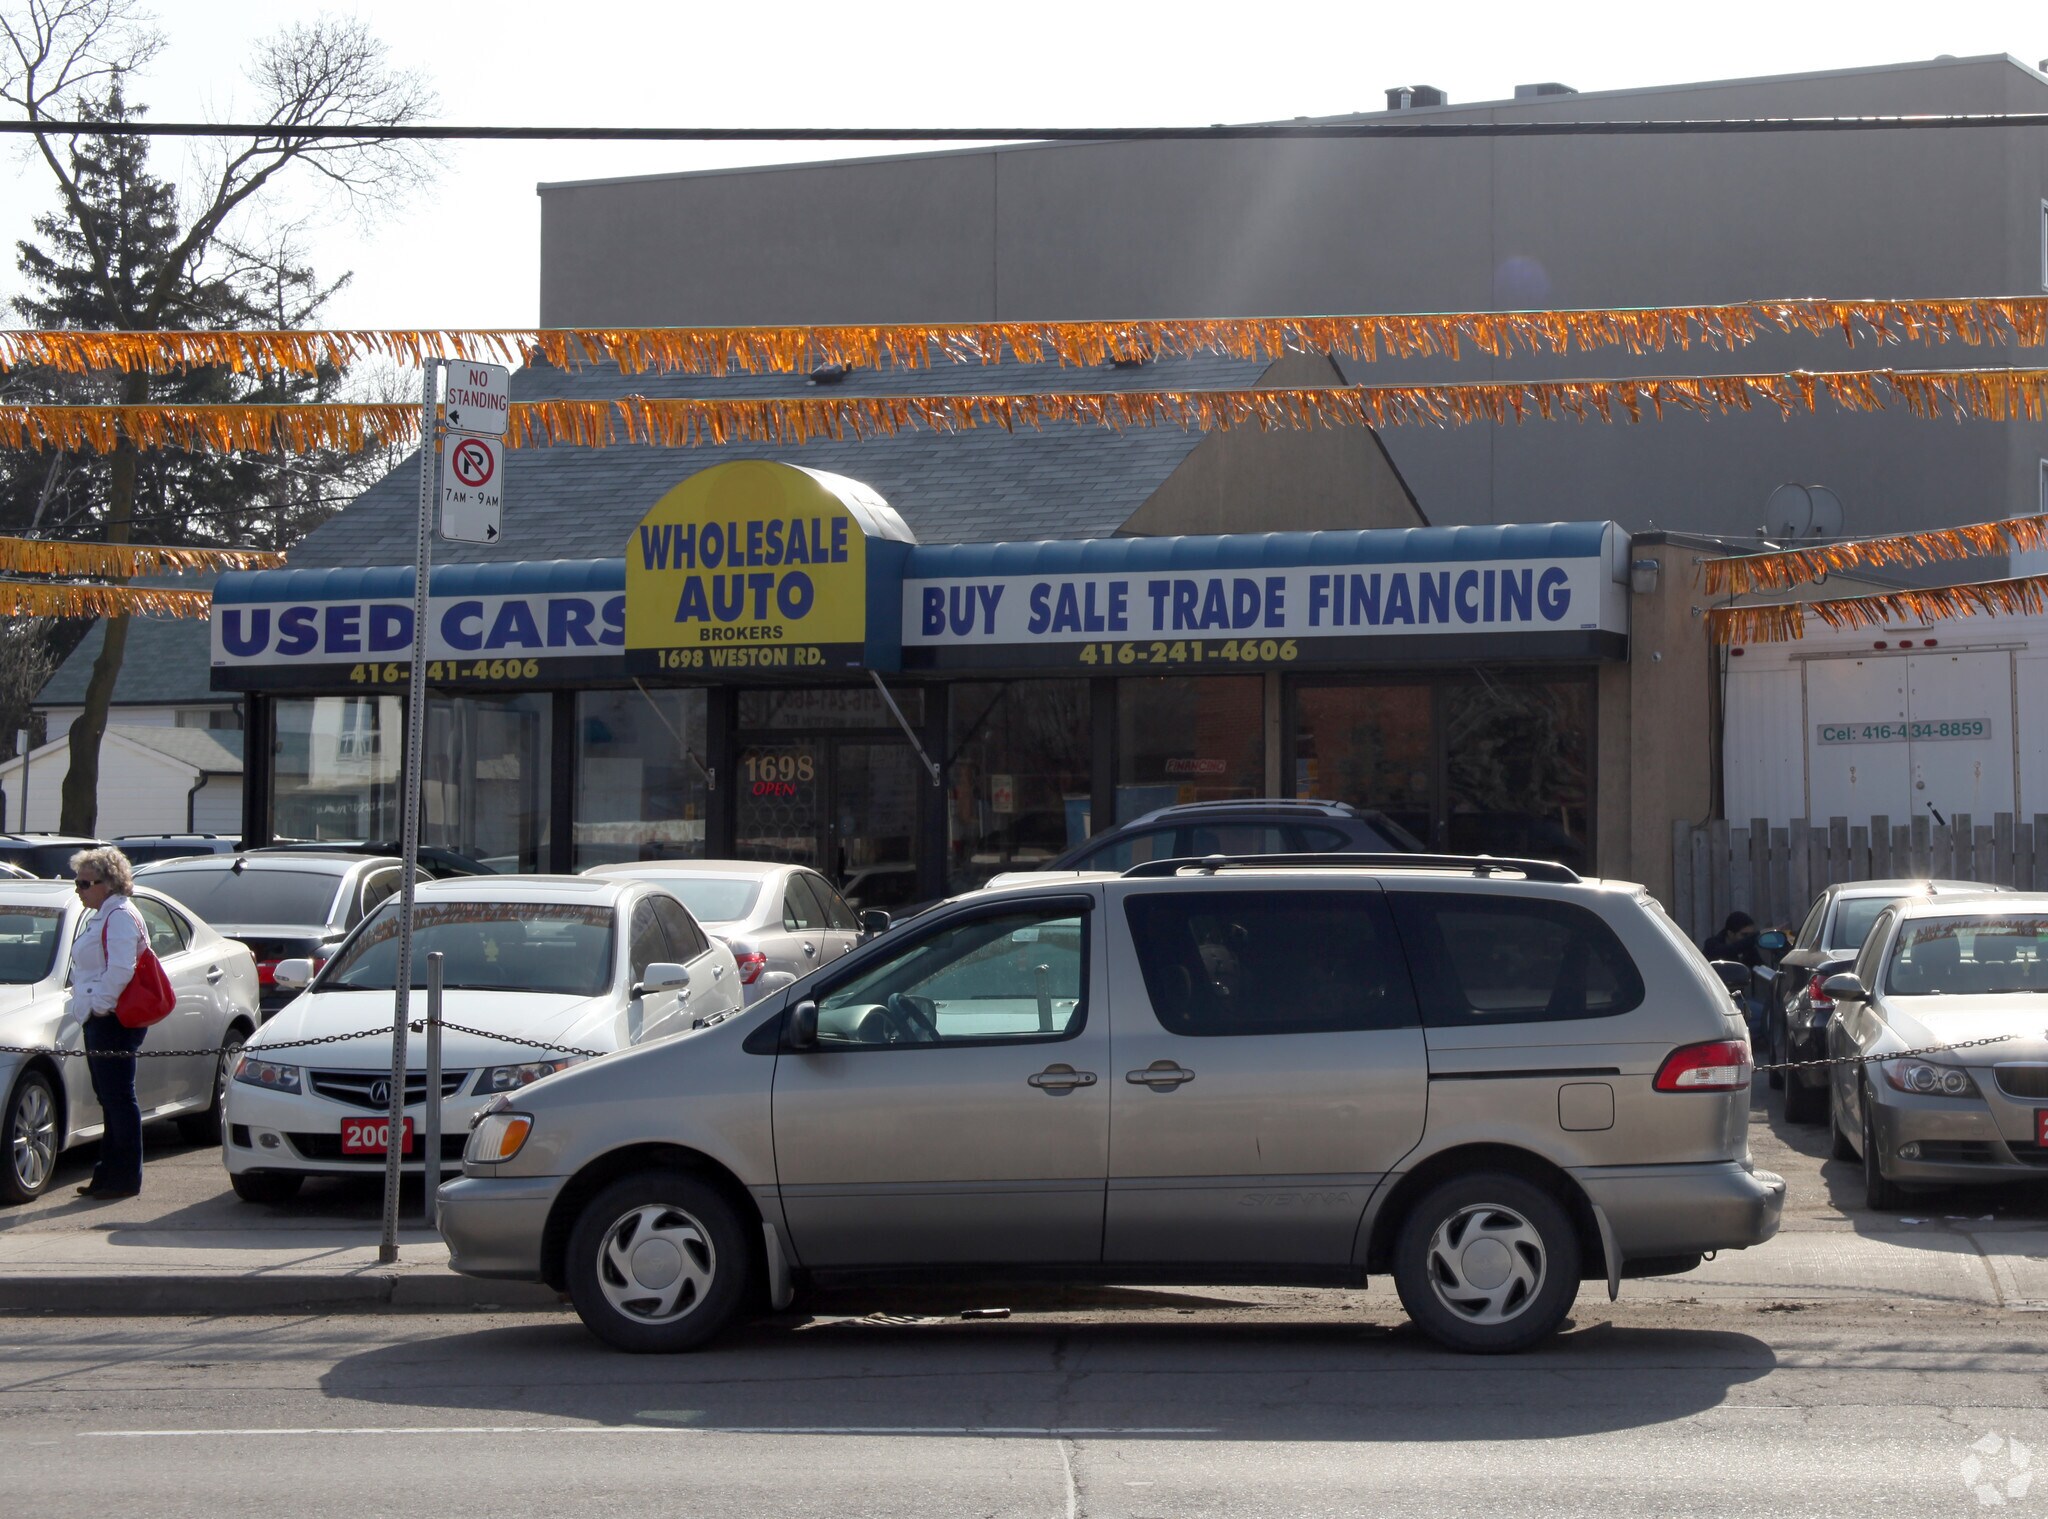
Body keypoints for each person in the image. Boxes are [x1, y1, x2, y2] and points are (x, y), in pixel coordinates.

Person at [63, 846, 147, 1199]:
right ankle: (109, 1173)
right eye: (77, 882)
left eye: (84, 883)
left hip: (112, 1019)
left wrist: (100, 1006)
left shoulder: (121, 915)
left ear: (107, 884)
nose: (78, 890)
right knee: (109, 1097)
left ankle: (124, 1177)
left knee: (118, 1097)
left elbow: (121, 969)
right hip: (98, 1016)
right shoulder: (103, 914)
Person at [1702, 911, 1766, 1040]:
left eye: (1750, 935)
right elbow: (1730, 950)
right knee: (1763, 1015)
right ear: (1730, 933)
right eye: (1744, 935)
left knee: (1768, 1013)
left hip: (1738, 999)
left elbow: (1759, 965)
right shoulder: (1712, 945)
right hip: (1717, 1003)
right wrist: (1757, 937)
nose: (1747, 939)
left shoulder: (1746, 948)